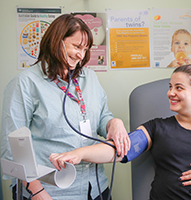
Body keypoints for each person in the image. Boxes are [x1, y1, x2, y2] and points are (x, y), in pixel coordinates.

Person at [50, 64, 191, 199]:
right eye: (170, 86)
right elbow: (119, 149)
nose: (170, 93)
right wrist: (78, 154)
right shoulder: (157, 127)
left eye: (179, 88)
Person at [1, 14, 130, 200]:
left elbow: (101, 118)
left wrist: (114, 123)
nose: (81, 55)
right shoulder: (25, 83)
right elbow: (13, 146)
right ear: (56, 41)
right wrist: (36, 191)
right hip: (49, 190)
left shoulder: (90, 78)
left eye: (85, 49)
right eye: (77, 46)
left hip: (94, 187)